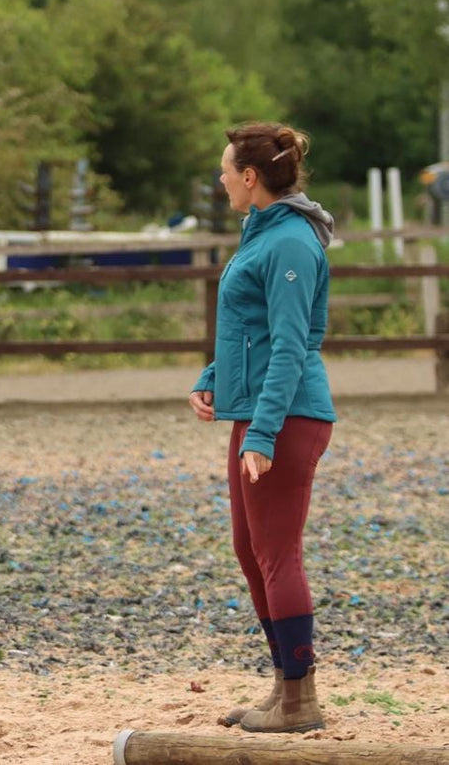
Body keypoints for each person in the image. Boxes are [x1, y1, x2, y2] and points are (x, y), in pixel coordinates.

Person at [188, 123, 336, 733]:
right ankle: (283, 687)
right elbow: (254, 326)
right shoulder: (261, 234)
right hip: (254, 411)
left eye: (226, 170)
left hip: (286, 415)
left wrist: (262, 434)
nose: (221, 178)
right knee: (251, 553)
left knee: (277, 555)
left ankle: (300, 699)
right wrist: (217, 373)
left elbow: (291, 344)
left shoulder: (292, 243)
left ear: (250, 177)